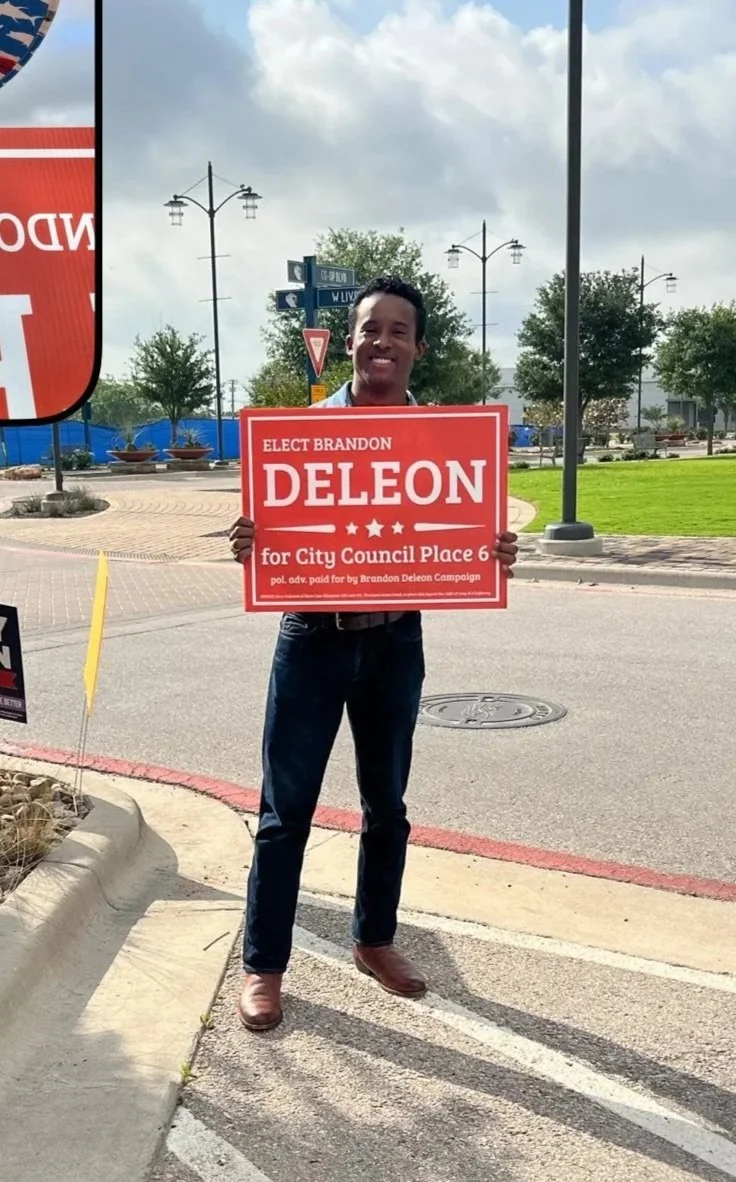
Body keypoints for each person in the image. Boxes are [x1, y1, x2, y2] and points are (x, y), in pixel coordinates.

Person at [229, 275, 518, 1032]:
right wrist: (253, 543)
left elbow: (453, 536)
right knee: (283, 814)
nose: (380, 341)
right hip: (311, 641)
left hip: (395, 641)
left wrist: (491, 550)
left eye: (397, 330)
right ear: (350, 341)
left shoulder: (450, 444)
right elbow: (279, 533)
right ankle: (264, 965)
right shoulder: (300, 437)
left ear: (418, 347)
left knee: (387, 806)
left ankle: (375, 939)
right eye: (369, 328)